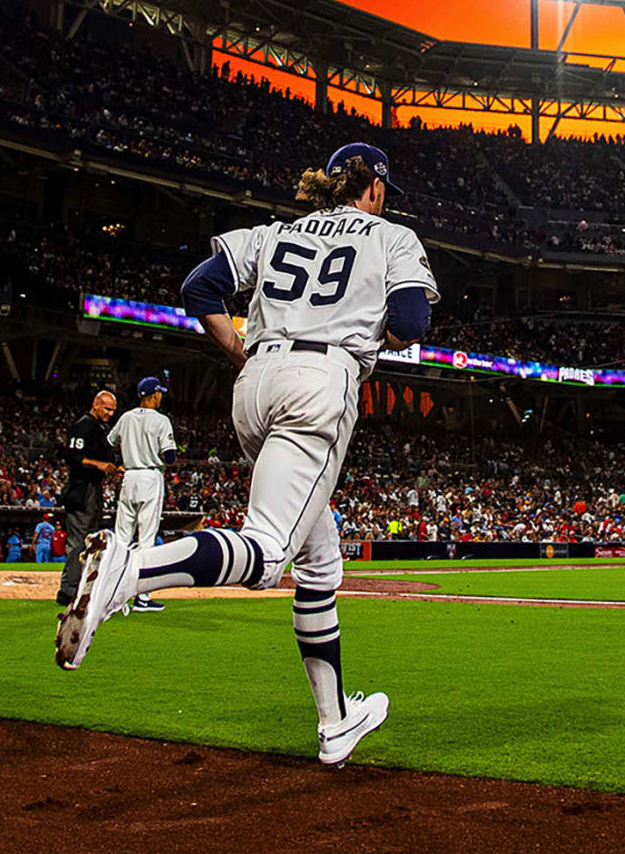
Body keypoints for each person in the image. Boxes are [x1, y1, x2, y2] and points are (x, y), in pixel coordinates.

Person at [56, 142, 437, 768]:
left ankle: (335, 722)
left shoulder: (277, 231)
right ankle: (128, 575)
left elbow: (199, 285)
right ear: (374, 189)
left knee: (319, 561)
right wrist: (372, 330)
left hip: (254, 382)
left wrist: (239, 345)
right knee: (267, 552)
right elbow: (413, 320)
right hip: (321, 379)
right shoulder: (390, 235)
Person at [108, 376, 178, 613]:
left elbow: (110, 443)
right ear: (154, 394)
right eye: (160, 394)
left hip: (129, 478)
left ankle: (113, 597)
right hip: (150, 477)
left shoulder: (125, 417)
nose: (161, 397)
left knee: (121, 539)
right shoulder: (161, 420)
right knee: (146, 540)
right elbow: (170, 456)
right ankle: (143, 597)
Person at [55, 390, 120, 607]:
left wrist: (112, 469)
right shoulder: (83, 425)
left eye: (113, 410)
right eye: (107, 408)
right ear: (95, 404)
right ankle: (67, 590)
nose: (110, 413)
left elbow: (105, 458)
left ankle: (82, 586)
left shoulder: (102, 428)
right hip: (80, 489)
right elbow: (72, 457)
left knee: (90, 540)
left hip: (93, 489)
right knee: (77, 542)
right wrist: (97, 464)